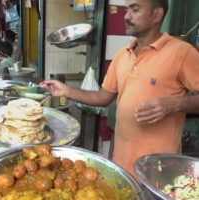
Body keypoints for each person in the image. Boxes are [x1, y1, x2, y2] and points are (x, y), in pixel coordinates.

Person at [40, 0, 199, 176]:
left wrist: (173, 104)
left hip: (158, 171)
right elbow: (103, 97)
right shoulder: (122, 55)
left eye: (135, 9)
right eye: (126, 9)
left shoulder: (182, 53)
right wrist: (67, 91)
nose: (126, 16)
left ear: (157, 15)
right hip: (122, 164)